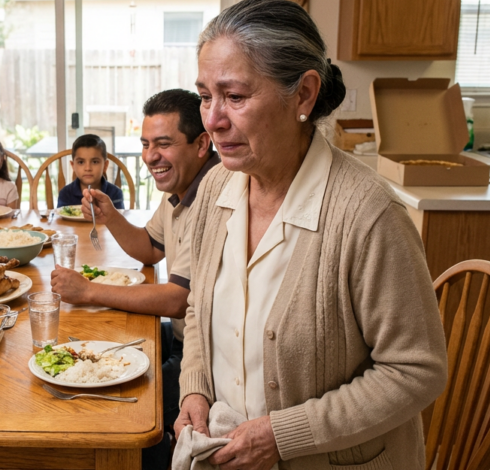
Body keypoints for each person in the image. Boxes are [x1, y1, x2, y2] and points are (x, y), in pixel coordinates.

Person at [173, 1, 447, 469]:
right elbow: (199, 300)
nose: (212, 120)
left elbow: (416, 371)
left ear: (303, 95)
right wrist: (195, 386)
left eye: (234, 97)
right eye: (204, 96)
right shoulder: (218, 185)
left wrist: (282, 435)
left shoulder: (368, 215)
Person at [50, 89, 220, 469]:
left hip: (202, 358)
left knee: (107, 412)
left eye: (163, 144)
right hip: (177, 337)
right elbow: (149, 248)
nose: (149, 157)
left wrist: (89, 290)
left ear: (201, 143)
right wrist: (111, 216)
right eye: (145, 144)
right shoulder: (180, 187)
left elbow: (178, 299)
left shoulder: (212, 197)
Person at [57, 134, 124, 209]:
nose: (88, 168)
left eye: (95, 162)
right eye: (81, 162)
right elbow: (61, 219)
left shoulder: (115, 193)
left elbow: (118, 219)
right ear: (73, 166)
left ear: (105, 165)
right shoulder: (65, 194)